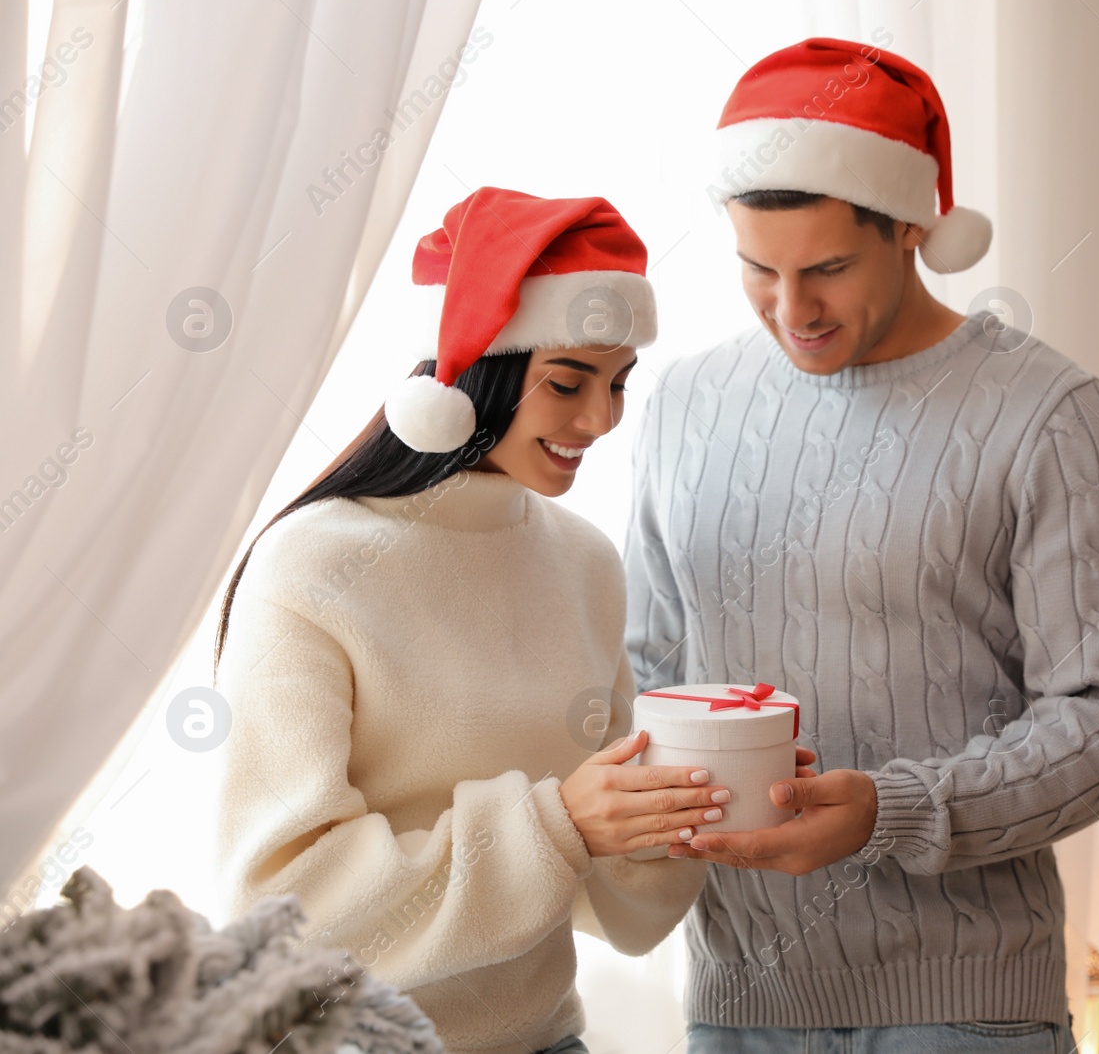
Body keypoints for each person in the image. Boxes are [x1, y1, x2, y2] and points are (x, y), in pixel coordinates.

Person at [623, 39, 1099, 1054]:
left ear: (913, 225)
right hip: (738, 1001)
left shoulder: (1048, 414)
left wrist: (892, 809)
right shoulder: (685, 404)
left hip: (967, 1007)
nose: (793, 311)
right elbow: (643, 672)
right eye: (757, 269)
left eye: (827, 268)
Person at [214, 188, 746, 1054]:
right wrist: (557, 825)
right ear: (475, 372)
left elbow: (615, 891)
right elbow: (281, 903)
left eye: (618, 383)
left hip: (547, 1037)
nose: (600, 420)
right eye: (568, 382)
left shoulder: (582, 559)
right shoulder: (313, 564)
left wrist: (700, 798)